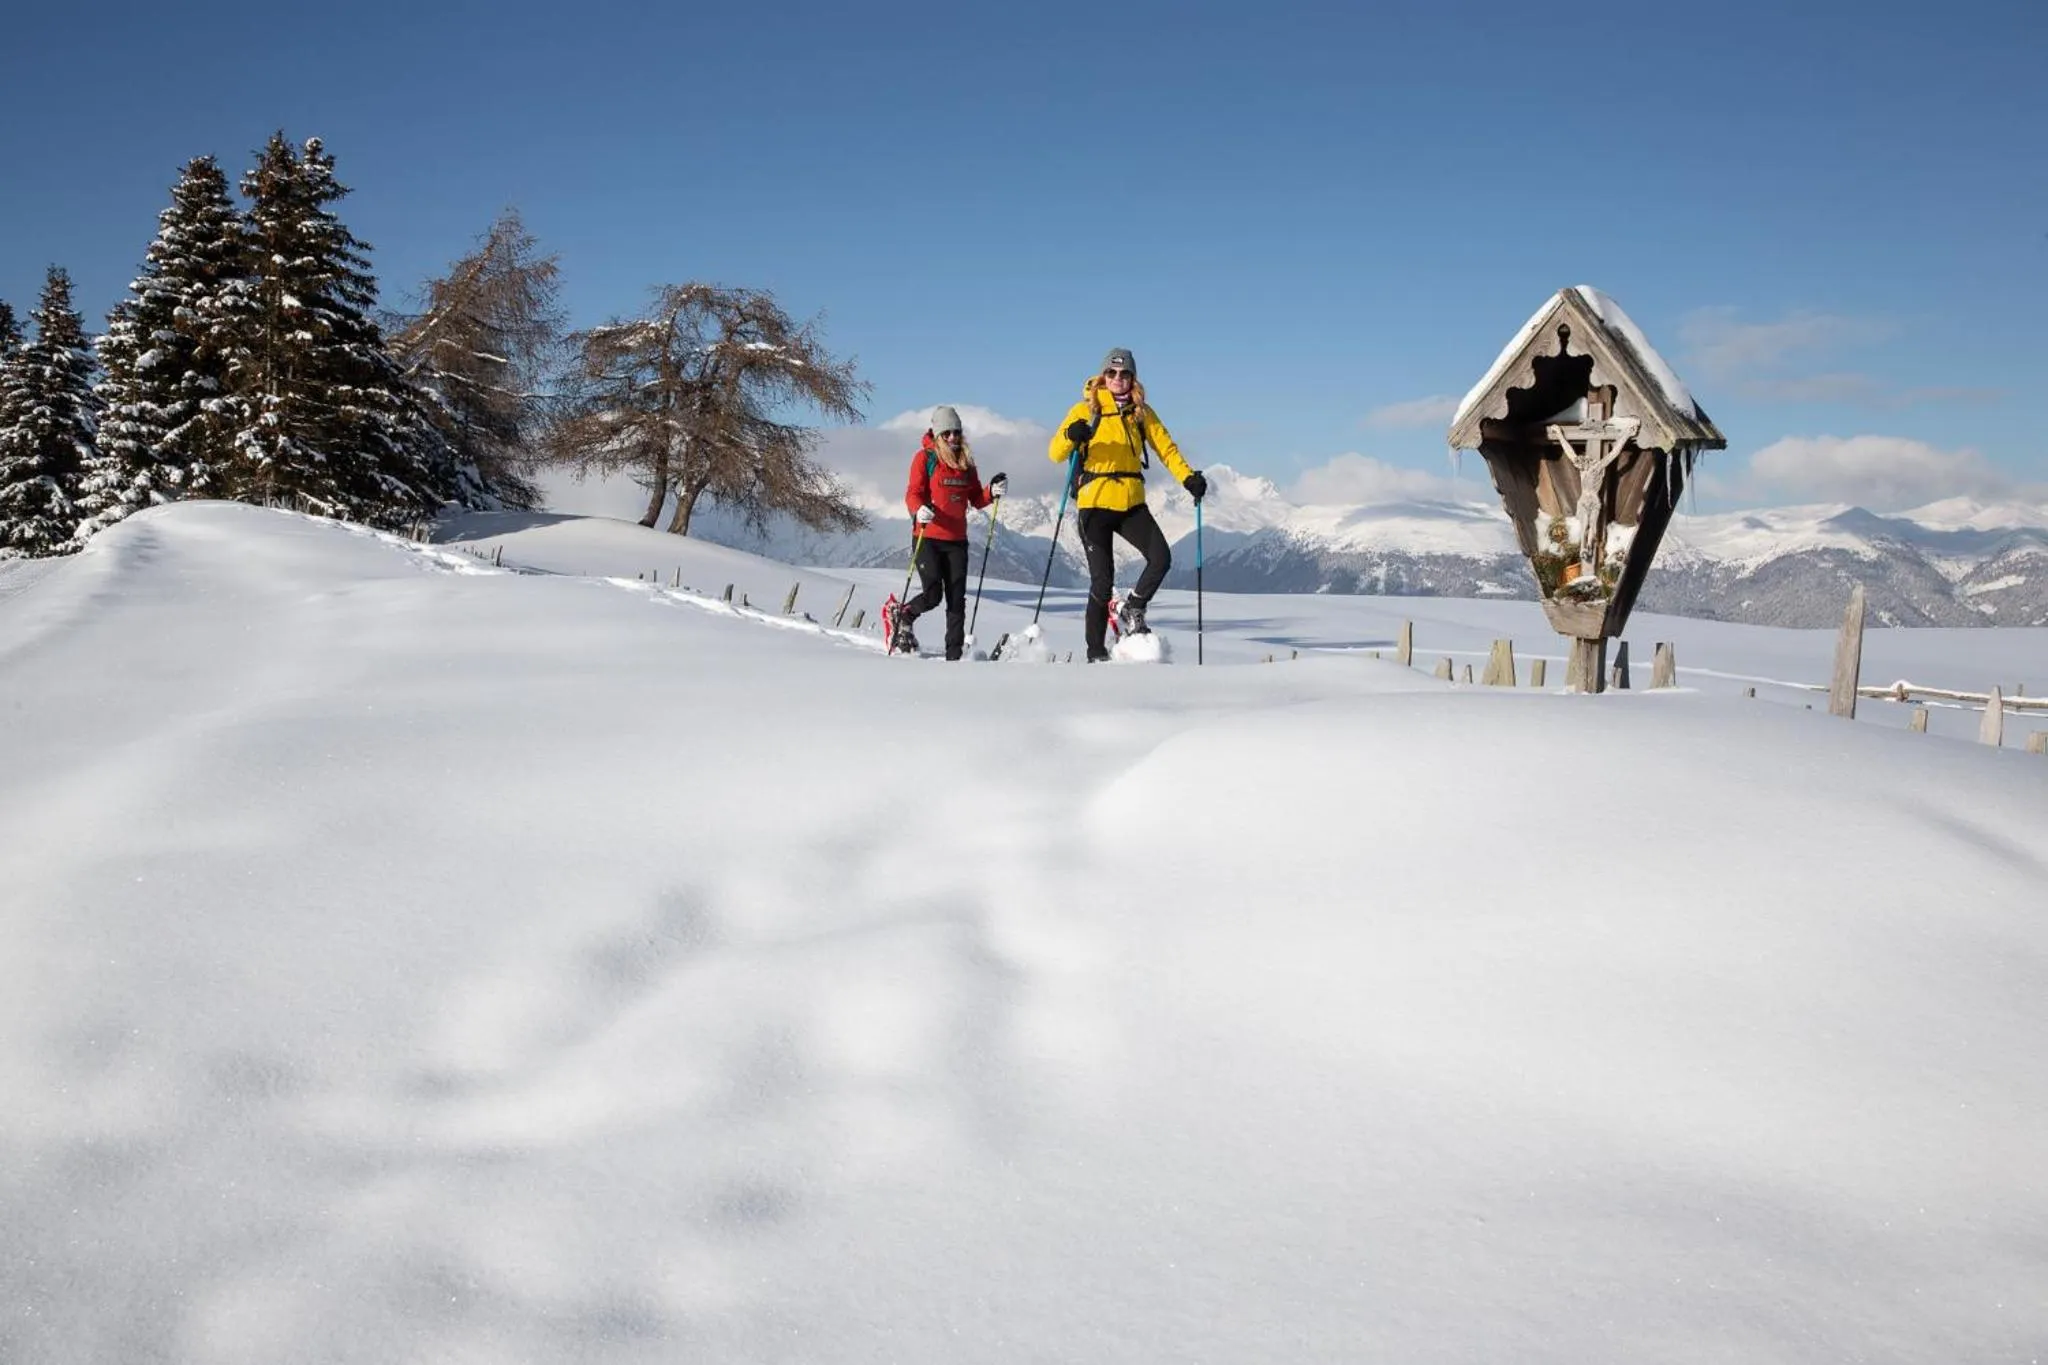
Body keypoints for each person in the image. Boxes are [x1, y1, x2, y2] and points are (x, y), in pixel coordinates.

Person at [1047, 347, 1207, 661]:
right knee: (1101, 582)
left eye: (1124, 374)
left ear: (1133, 378)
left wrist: (1188, 478)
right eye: (1112, 373)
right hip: (1094, 503)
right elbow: (1055, 453)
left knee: (1160, 558)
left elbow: (1166, 448)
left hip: (1131, 501)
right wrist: (1070, 434)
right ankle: (1096, 653)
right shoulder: (1084, 409)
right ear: (1102, 377)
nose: (1118, 379)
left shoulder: (1141, 411)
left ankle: (1134, 606)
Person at [894, 405, 1007, 660]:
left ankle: (954, 657)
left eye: (957, 432)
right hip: (928, 538)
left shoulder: (966, 463)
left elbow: (976, 498)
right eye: (947, 433)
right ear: (937, 435)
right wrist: (918, 510)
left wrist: (992, 492)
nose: (953, 438)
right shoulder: (925, 458)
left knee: (957, 600)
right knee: (933, 595)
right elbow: (913, 492)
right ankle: (905, 614)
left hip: (957, 541)